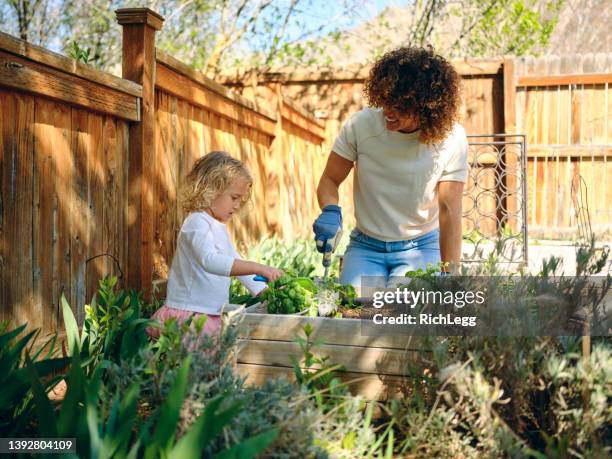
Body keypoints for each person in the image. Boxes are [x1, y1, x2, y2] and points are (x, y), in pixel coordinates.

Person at [313, 46, 469, 291]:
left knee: (405, 311)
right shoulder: (361, 126)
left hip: (420, 246)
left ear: (427, 107)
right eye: (386, 100)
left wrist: (452, 272)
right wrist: (330, 210)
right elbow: (330, 180)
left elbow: (449, 209)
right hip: (366, 245)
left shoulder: (452, 139)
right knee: (356, 308)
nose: (388, 111)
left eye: (401, 106)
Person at [149, 151, 283, 339]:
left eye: (240, 199)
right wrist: (259, 268)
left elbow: (233, 260)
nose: (237, 205)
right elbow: (209, 261)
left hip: (209, 314)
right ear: (210, 190)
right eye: (234, 197)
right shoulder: (196, 223)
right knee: (195, 367)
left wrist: (263, 290)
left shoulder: (217, 226)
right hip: (190, 316)